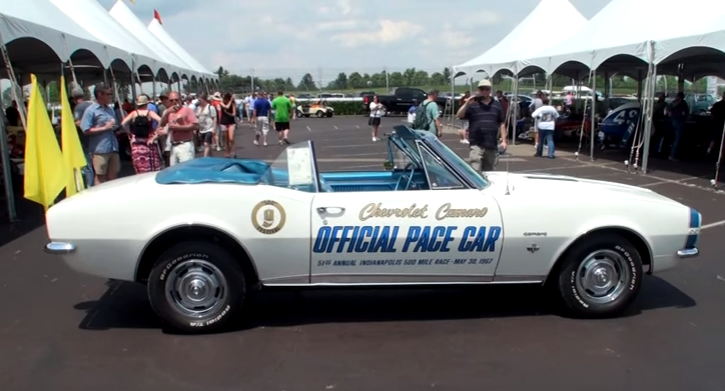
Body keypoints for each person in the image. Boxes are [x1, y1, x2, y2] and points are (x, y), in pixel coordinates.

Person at [456, 79, 507, 173]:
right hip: (476, 143)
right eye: (482, 89)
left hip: (491, 144)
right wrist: (466, 104)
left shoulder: (496, 105)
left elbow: (502, 123)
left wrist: (504, 141)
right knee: (475, 170)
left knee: (490, 172)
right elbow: (459, 115)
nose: (484, 91)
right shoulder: (473, 104)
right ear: (478, 90)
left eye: (486, 89)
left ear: (490, 90)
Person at [80, 83, 121, 184]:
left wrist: (115, 127)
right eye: (108, 94)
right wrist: (104, 128)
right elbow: (85, 129)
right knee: (100, 176)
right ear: (99, 94)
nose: (110, 96)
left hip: (113, 147)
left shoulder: (109, 109)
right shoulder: (91, 110)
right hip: (100, 150)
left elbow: (113, 125)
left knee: (113, 175)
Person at [120, 95, 165, 173]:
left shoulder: (134, 113)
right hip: (149, 141)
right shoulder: (149, 113)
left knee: (140, 166)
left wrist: (130, 133)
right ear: (146, 103)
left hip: (137, 142)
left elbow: (123, 123)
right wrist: (156, 132)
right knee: (152, 166)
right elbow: (161, 120)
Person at [159, 91, 199, 165]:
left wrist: (179, 127)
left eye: (176, 100)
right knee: (174, 171)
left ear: (180, 100)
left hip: (185, 144)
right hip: (173, 145)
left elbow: (195, 126)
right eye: (171, 100)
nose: (174, 102)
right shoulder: (169, 112)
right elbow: (162, 124)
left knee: (186, 170)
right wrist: (167, 113)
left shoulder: (187, 110)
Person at [71, 87, 94, 187]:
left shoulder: (78, 107)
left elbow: (78, 122)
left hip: (85, 139)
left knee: (87, 165)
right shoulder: (91, 105)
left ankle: (89, 186)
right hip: (94, 138)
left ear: (74, 99)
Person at [666, 91, 689, 161]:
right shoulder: (683, 103)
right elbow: (684, 113)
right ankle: (672, 155)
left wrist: (671, 115)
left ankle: (670, 153)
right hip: (679, 122)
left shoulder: (674, 102)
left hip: (672, 121)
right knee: (678, 139)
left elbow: (667, 110)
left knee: (673, 139)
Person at [195, 93, 217, 157]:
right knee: (208, 145)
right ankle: (212, 158)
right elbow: (197, 118)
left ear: (204, 100)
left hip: (209, 128)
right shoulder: (199, 108)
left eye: (200, 100)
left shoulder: (210, 107)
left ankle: (204, 158)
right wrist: (197, 129)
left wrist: (214, 129)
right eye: (198, 100)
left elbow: (214, 118)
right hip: (202, 129)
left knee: (206, 144)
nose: (199, 102)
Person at [219, 92, 237, 158]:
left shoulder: (233, 104)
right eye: (224, 99)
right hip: (223, 122)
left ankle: (234, 152)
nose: (225, 100)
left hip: (231, 122)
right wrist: (230, 101)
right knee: (226, 139)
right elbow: (226, 107)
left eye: (226, 99)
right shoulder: (221, 102)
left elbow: (234, 114)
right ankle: (227, 152)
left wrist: (228, 113)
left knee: (231, 138)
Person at [708, 91, 725, 157]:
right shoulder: (718, 105)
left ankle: (709, 152)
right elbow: (712, 115)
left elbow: (711, 115)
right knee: (717, 140)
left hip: (717, 125)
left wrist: (712, 123)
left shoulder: (717, 104)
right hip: (720, 125)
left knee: (714, 140)